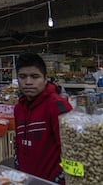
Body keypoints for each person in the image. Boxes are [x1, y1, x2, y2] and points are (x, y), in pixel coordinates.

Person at [14, 53, 72, 184]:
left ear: (45, 79)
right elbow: (17, 143)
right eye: (23, 77)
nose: (28, 82)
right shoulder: (18, 109)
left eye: (35, 76)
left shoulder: (58, 106)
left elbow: (72, 150)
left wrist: (59, 180)